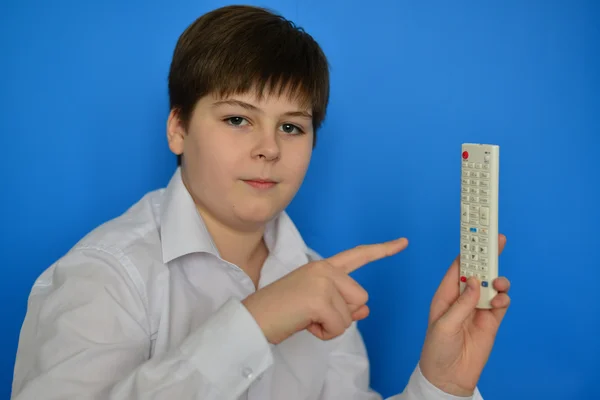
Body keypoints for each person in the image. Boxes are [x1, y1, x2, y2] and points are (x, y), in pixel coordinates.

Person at [11, 5, 511, 400]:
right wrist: (253, 324)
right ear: (178, 128)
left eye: (292, 127)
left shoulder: (317, 281)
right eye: (237, 119)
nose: (268, 148)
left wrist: (443, 385)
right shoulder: (104, 277)